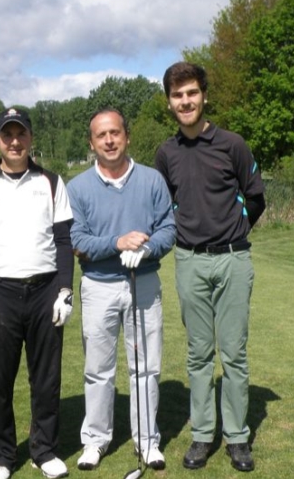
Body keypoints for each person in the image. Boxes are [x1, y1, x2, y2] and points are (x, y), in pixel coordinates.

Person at [154, 62, 266, 473]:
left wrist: (234, 229)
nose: (185, 101)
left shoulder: (232, 144)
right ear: (169, 102)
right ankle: (203, 435)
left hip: (234, 259)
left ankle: (237, 437)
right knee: (199, 354)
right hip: (189, 262)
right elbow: (166, 206)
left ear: (204, 95)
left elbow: (255, 197)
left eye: (192, 93)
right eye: (177, 95)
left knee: (233, 353)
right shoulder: (165, 154)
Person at [0, 108, 75, 479]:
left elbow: (63, 242)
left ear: (30, 138)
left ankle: (44, 450)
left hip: (44, 292)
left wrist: (65, 291)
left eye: (20, 134)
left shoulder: (52, 183)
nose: (14, 141)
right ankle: (2, 457)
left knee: (46, 379)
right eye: (6, 135)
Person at [67, 108, 176, 471]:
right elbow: (78, 239)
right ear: (92, 142)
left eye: (115, 133)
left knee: (146, 366)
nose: (109, 141)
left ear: (126, 136)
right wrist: (118, 243)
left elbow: (167, 228)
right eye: (102, 135)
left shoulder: (151, 180)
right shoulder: (78, 187)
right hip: (98, 285)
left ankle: (147, 441)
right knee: (98, 368)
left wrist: (147, 249)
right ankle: (95, 441)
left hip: (143, 282)